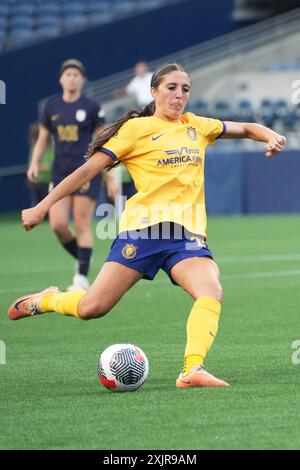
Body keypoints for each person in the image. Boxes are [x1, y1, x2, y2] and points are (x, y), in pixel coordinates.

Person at [8, 63, 286, 388]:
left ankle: (191, 370)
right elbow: (86, 172)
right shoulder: (136, 130)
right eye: (171, 88)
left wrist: (272, 136)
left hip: (186, 237)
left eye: (185, 89)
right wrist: (42, 207)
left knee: (211, 291)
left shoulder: (197, 126)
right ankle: (47, 299)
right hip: (143, 233)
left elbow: (248, 127)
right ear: (154, 92)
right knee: (91, 307)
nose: (179, 95)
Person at [27, 58, 118, 291]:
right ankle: (84, 258)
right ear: (61, 79)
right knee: (57, 225)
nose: (72, 78)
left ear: (82, 79)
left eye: (76, 75)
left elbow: (105, 142)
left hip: (86, 171)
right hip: (60, 172)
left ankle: (81, 277)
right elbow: (42, 140)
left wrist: (110, 176)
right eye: (67, 74)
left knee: (81, 222)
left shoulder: (92, 107)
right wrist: (34, 163)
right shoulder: (51, 107)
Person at [27, 122, 54, 206]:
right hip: (39, 183)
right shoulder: (34, 150)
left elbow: (54, 165)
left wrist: (44, 166)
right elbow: (32, 165)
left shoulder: (54, 147)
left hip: (53, 182)